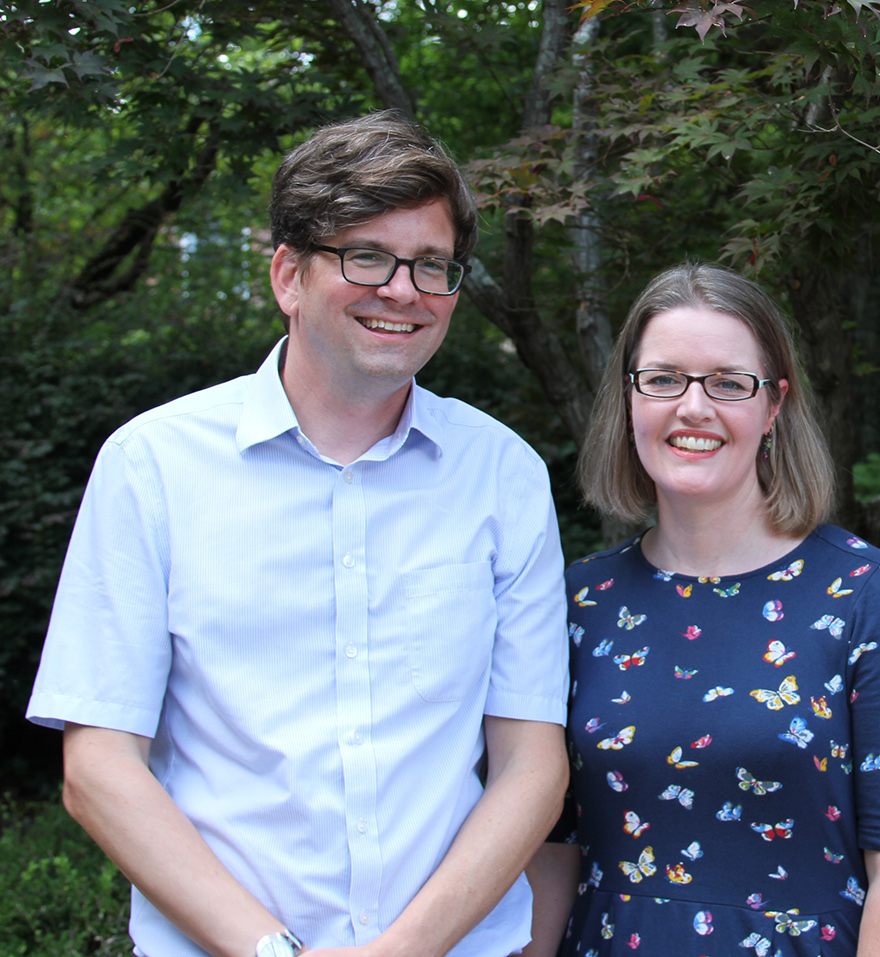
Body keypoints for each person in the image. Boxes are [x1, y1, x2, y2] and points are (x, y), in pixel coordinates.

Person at [27, 111, 569, 957]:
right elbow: (98, 768)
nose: (404, 290)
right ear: (288, 273)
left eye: (433, 265)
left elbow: (532, 765)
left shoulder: (503, 474)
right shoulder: (152, 465)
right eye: (366, 256)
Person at [521, 263, 880, 956]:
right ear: (630, 398)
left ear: (774, 404)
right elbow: (549, 843)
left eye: (727, 382)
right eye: (663, 379)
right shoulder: (580, 602)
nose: (693, 407)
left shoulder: (870, 594)